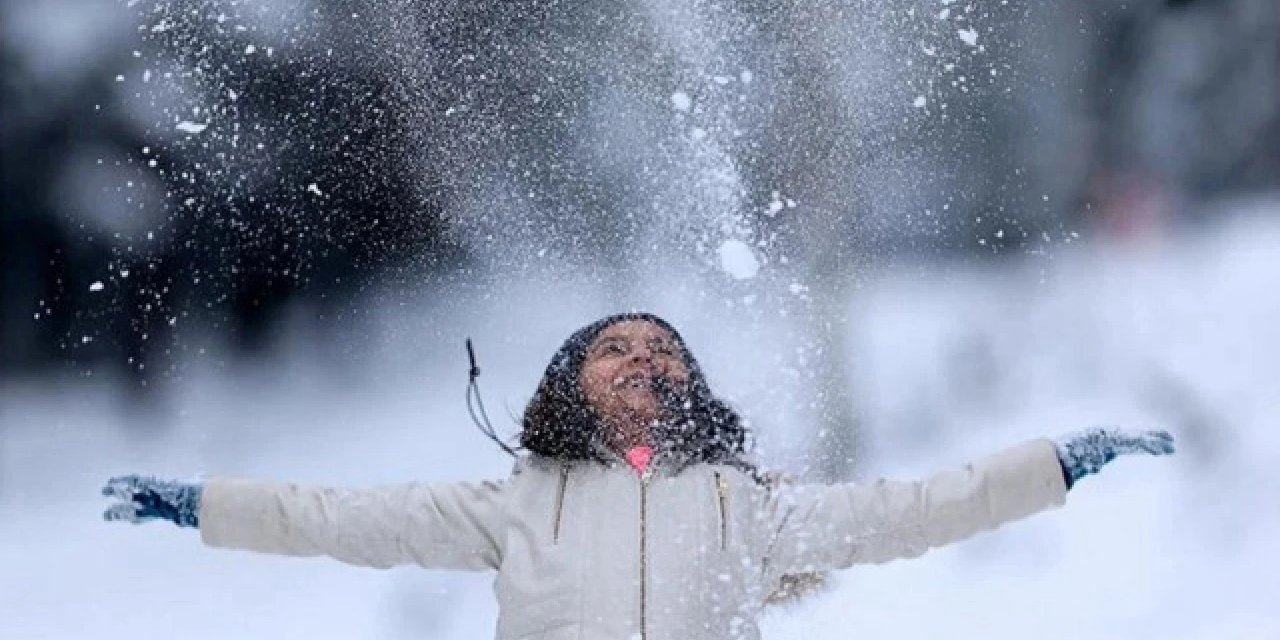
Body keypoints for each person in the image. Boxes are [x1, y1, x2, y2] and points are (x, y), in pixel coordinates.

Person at [102, 312, 1175, 640]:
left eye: (663, 349)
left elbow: (911, 510)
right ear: (569, 384)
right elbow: (336, 516)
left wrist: (1055, 464)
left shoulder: (743, 506)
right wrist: (201, 503)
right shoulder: (515, 503)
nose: (643, 358)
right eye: (614, 347)